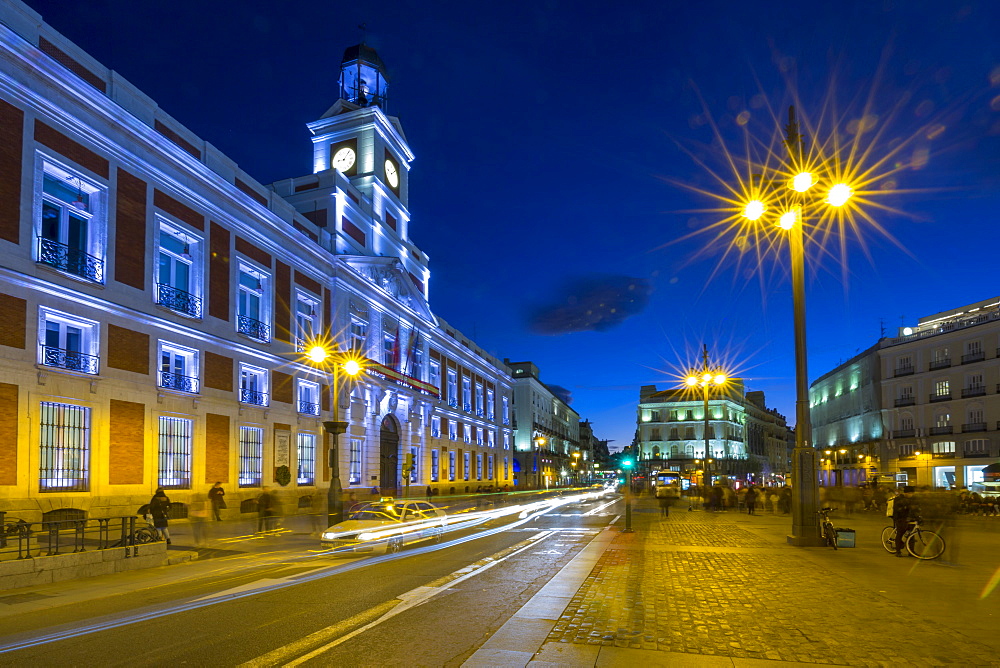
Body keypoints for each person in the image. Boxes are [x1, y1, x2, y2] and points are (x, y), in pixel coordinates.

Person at [891, 486, 917, 557]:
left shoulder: (913, 499)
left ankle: (911, 551)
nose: (911, 494)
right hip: (900, 518)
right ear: (905, 493)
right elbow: (897, 509)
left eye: (912, 493)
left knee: (911, 535)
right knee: (900, 534)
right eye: (909, 493)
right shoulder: (898, 499)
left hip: (910, 518)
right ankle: (898, 551)